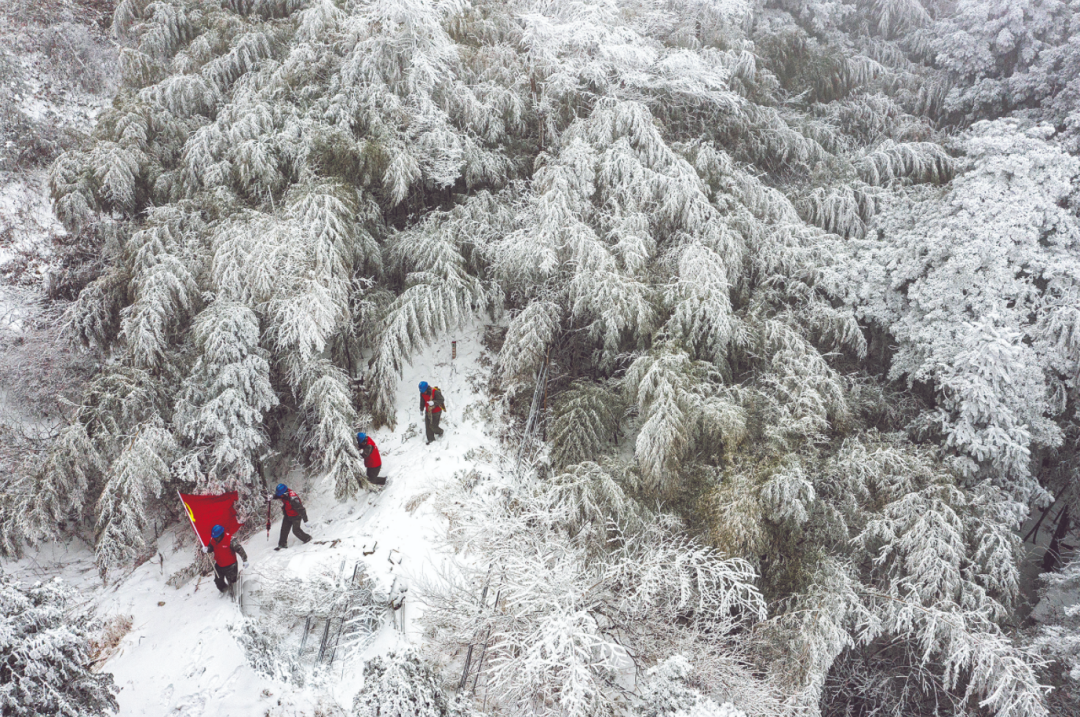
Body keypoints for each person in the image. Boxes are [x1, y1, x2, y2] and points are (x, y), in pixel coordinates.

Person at [203, 524, 248, 594]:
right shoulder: (213, 540)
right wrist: (207, 549)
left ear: (221, 534)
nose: (215, 538)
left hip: (231, 566)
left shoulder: (230, 540)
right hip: (219, 565)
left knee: (233, 583)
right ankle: (225, 592)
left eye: (217, 537)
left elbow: (240, 550)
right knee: (218, 583)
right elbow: (211, 547)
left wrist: (245, 560)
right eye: (214, 537)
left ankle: (233, 593)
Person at [272, 483, 311, 550]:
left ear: (284, 493)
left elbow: (301, 509)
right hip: (288, 514)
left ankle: (307, 538)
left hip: (296, 515)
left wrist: (306, 520)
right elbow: (278, 495)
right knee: (284, 529)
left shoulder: (293, 498)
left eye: (281, 494)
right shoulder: (284, 494)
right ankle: (282, 545)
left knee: (296, 530)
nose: (280, 496)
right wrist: (272, 497)